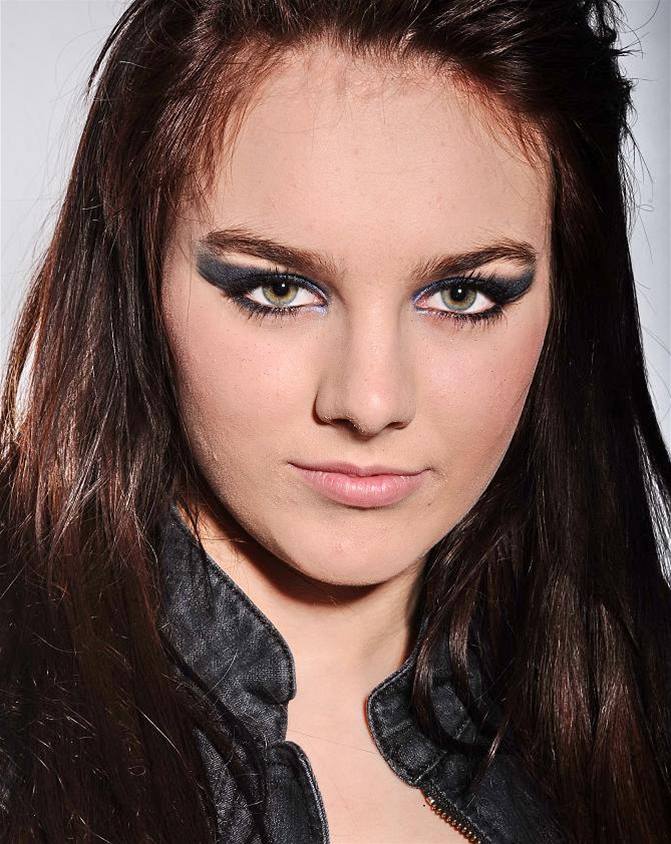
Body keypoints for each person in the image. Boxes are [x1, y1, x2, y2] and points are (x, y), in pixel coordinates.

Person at [1, 0, 670, 841]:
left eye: (462, 296)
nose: (369, 402)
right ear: (139, 273)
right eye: (279, 289)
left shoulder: (637, 714)